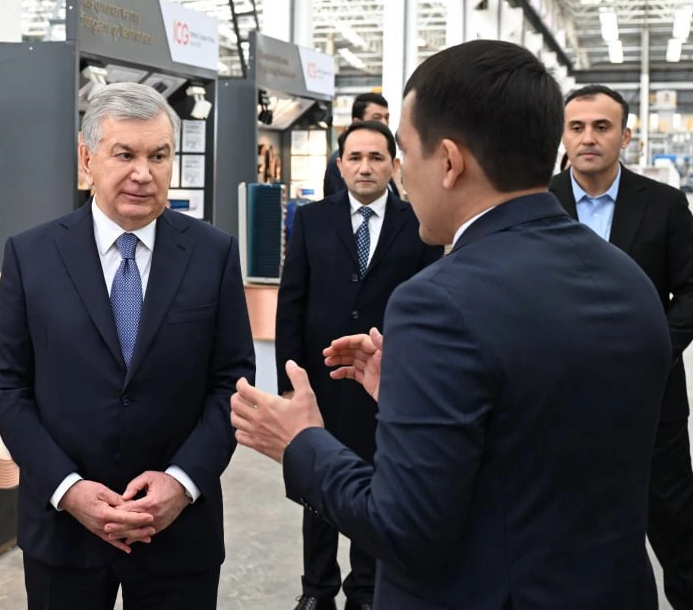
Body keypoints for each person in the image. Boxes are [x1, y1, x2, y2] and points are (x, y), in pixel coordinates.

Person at [230, 40, 670, 608]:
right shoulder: (628, 280)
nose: (401, 174)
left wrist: (301, 444)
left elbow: (405, 527)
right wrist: (417, 396)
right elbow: (539, 439)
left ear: (450, 161)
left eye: (405, 153)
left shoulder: (437, 303)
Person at [0, 82, 255, 610]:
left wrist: (182, 482)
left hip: (178, 533)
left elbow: (232, 383)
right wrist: (67, 488)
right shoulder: (32, 254)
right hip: (64, 533)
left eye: (159, 155)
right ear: (87, 160)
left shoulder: (212, 253)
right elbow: (5, 384)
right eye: (124, 154)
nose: (143, 173)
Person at [275, 119, 442, 610]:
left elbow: (430, 302)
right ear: (340, 164)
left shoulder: (419, 223)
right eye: (355, 157)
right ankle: (316, 586)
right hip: (322, 377)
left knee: (376, 479)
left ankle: (366, 589)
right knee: (315, 479)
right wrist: (290, 379)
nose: (365, 167)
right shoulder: (310, 220)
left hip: (385, 382)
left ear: (394, 164)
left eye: (376, 157)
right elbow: (293, 299)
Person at [551, 84, 693, 610]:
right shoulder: (539, 203)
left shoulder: (663, 204)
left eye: (602, 127)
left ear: (625, 136)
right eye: (577, 127)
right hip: (557, 396)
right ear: (563, 136)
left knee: (675, 520)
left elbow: (691, 288)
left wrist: (657, 345)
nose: (588, 138)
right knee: (568, 521)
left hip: (651, 394)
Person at [323, 94, 393, 198]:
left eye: (386, 117)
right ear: (357, 122)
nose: (384, 123)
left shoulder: (386, 157)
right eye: (377, 118)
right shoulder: (342, 161)